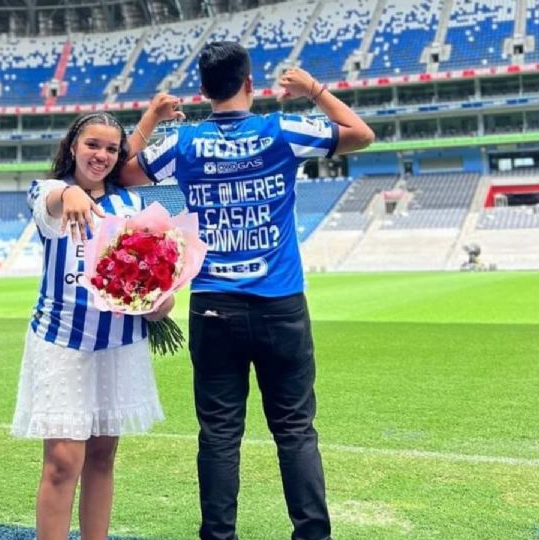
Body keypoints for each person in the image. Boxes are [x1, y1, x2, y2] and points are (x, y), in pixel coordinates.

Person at [119, 42, 375, 540]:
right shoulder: (279, 130)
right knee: (295, 430)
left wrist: (151, 116)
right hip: (280, 305)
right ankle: (312, 535)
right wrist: (314, 90)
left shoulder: (184, 143)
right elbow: (361, 134)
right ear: (251, 85)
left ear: (202, 90)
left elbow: (124, 173)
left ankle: (218, 535)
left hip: (214, 305)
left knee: (218, 435)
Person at [10, 97, 184, 540]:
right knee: (63, 461)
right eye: (92, 144)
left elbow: (154, 275)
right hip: (63, 340)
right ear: (73, 146)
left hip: (120, 343)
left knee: (103, 456)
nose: (101, 155)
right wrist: (68, 190)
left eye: (110, 149)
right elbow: (49, 197)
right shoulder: (46, 191)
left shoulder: (132, 203)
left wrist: (160, 303)